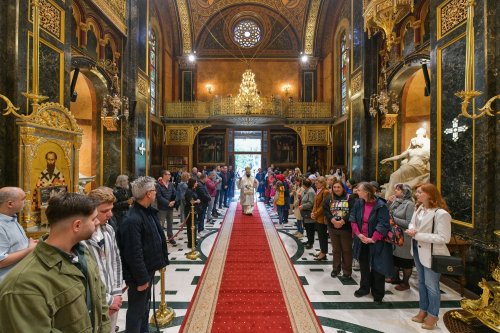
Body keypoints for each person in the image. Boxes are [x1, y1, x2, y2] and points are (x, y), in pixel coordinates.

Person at [0, 192, 110, 332]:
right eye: (93, 219)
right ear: (77, 225)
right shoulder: (24, 284)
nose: (97, 222)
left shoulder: (82, 253)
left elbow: (100, 304)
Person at [116, 176, 169, 333]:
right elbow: (134, 253)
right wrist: (142, 279)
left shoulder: (146, 212)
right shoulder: (132, 220)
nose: (155, 193)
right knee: (136, 311)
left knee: (144, 309)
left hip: (148, 269)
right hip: (140, 275)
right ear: (148, 194)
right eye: (154, 190)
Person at [405, 183, 451, 330]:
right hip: (417, 249)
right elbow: (412, 223)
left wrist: (418, 235)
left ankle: (433, 315)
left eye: (420, 192)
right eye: (417, 192)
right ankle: (423, 310)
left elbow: (444, 238)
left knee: (432, 286)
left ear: (430, 195)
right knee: (422, 283)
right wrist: (412, 230)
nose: (417, 194)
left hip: (432, 253)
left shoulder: (441, 214)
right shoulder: (419, 208)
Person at [85, 187, 124, 332]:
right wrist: (107, 300)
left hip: (113, 296)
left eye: (111, 209)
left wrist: (117, 294)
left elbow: (115, 261)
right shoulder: (82, 238)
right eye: (104, 211)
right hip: (94, 302)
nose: (110, 214)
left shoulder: (108, 230)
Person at [349, 182, 393, 304]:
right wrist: (359, 235)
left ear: (367, 192)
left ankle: (378, 293)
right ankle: (364, 288)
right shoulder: (359, 202)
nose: (357, 192)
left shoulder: (381, 205)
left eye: (359, 190)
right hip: (362, 239)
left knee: (377, 267)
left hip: (376, 241)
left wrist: (373, 238)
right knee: (363, 265)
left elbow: (383, 224)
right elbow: (353, 218)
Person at [380, 128, 431, 199]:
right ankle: (390, 196)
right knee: (393, 176)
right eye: (414, 139)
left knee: (394, 176)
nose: (415, 141)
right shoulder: (410, 151)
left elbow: (430, 158)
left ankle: (389, 196)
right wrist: (387, 159)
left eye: (418, 139)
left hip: (417, 168)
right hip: (408, 167)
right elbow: (399, 156)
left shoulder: (425, 151)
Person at [0, 187, 37, 282]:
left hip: (20, 276)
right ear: (10, 204)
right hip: (9, 283)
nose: (26, 201)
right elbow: (1, 261)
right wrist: (29, 249)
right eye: (23, 199)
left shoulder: (11, 218)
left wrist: (29, 243)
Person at [323, 180, 354, 279]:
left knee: (346, 250)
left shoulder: (349, 198)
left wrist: (342, 221)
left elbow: (352, 211)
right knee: (336, 250)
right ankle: (336, 269)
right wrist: (332, 220)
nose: (336, 189)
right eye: (334, 187)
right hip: (332, 227)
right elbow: (326, 211)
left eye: (338, 187)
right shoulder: (328, 198)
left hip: (346, 228)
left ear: (343, 188)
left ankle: (347, 271)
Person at [387, 183, 415, 291]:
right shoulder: (397, 202)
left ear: (404, 192)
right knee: (395, 258)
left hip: (405, 236)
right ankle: (395, 278)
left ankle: (405, 283)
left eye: (398, 190)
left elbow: (409, 223)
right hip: (394, 235)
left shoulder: (410, 204)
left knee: (405, 261)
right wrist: (389, 202)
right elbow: (387, 210)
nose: (395, 192)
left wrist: (393, 219)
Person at [311, 176, 329, 261]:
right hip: (317, 216)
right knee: (320, 235)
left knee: (322, 236)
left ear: (322, 183)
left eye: (317, 183)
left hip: (321, 217)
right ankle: (322, 250)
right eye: (315, 182)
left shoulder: (325, 192)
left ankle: (324, 253)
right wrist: (313, 212)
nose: (315, 184)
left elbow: (323, 206)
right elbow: (315, 203)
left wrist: (316, 213)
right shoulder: (319, 190)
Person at [156, 170, 177, 245]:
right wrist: (168, 203)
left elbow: (174, 193)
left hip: (170, 208)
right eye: (169, 174)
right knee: (161, 224)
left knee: (170, 224)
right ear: (164, 175)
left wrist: (174, 201)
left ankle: (170, 238)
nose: (170, 176)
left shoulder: (171, 184)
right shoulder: (158, 185)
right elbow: (159, 197)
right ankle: (160, 239)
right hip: (162, 208)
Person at [184, 178, 200, 248]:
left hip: (194, 210)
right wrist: (197, 201)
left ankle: (194, 240)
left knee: (194, 227)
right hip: (189, 211)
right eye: (196, 182)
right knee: (190, 227)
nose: (197, 183)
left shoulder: (193, 190)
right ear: (193, 183)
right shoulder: (189, 191)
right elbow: (191, 201)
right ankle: (190, 242)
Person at [300, 179, 316, 249]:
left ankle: (311, 243)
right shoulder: (306, 190)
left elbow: (311, 203)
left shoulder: (311, 192)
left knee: (310, 229)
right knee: (307, 227)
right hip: (305, 212)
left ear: (304, 185)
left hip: (309, 212)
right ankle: (309, 240)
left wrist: (303, 206)